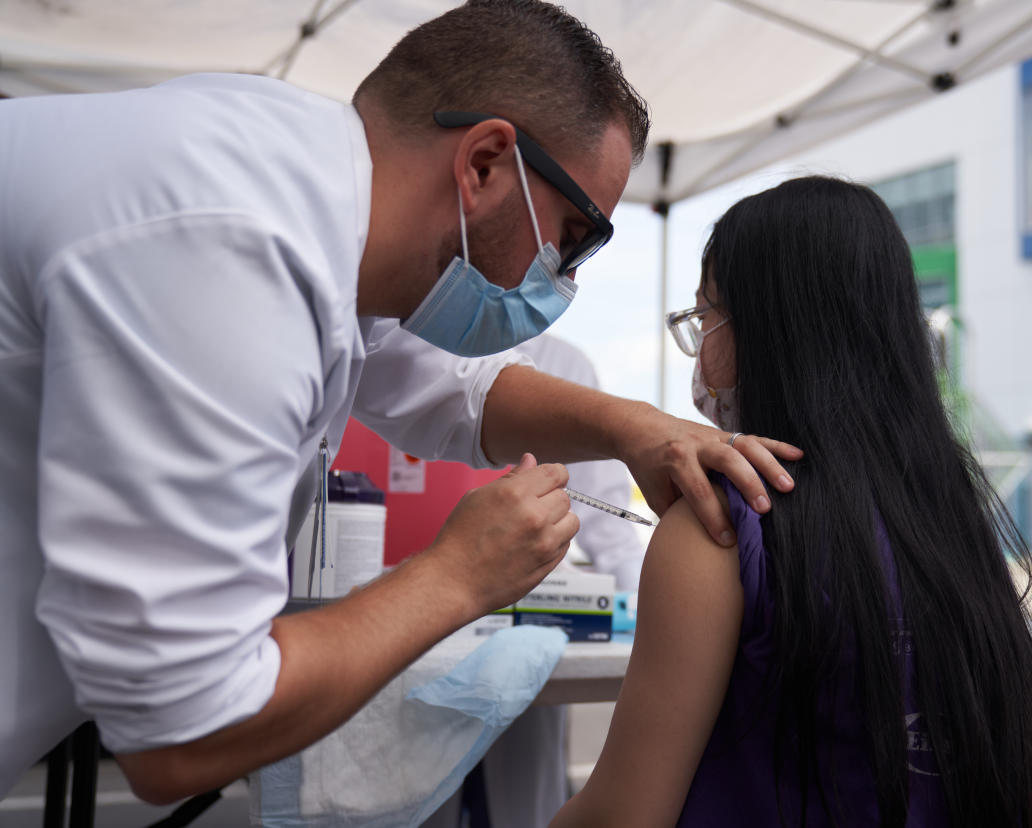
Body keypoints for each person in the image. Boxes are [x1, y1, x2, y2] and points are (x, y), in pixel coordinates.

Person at [0, 0, 802, 804]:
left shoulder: (304, 187)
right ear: (484, 163)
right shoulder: (229, 249)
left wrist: (642, 429)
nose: (563, 280)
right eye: (575, 237)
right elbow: (184, 732)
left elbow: (453, 392)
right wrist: (457, 576)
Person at [549, 177, 1032, 828]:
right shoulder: (954, 516)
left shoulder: (719, 529)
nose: (699, 347)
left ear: (769, 330)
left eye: (705, 317)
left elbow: (619, 818)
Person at [423, 332, 646, 828]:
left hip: (528, 627)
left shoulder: (565, 365)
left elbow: (612, 534)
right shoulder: (400, 343)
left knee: (522, 801)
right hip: (417, 618)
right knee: (416, 795)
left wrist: (650, 614)